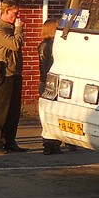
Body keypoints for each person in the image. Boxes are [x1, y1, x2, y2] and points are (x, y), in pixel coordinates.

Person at [0, 0, 26, 154]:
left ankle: (10, 141)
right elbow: (15, 44)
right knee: (1, 109)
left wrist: (17, 30)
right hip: (5, 73)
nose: (17, 16)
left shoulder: (11, 28)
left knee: (13, 110)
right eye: (15, 13)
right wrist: (18, 30)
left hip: (15, 73)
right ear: (6, 11)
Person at [38, 19, 66, 154]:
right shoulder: (46, 45)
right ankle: (48, 143)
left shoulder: (54, 44)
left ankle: (55, 142)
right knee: (48, 113)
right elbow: (45, 66)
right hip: (49, 82)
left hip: (52, 81)